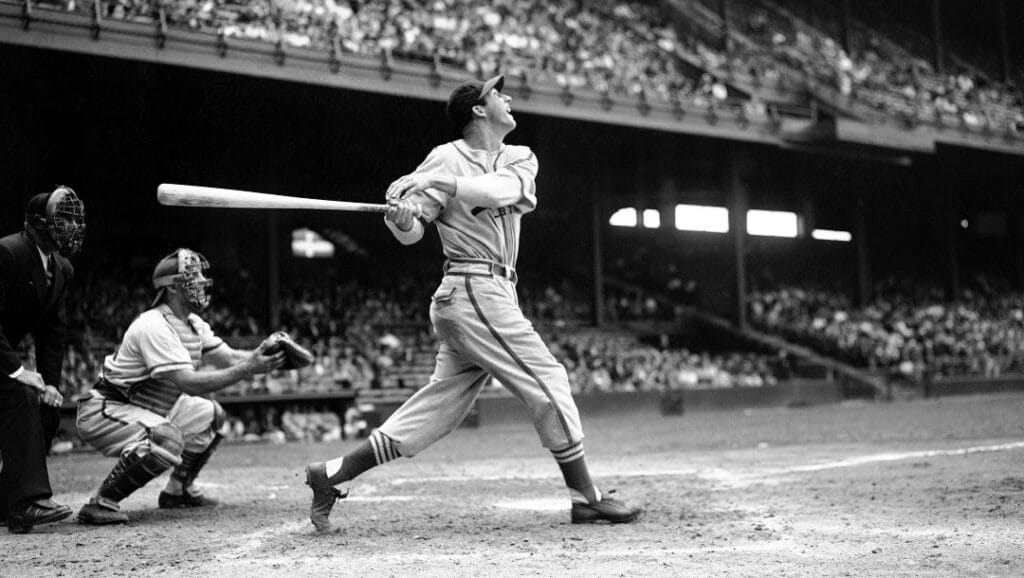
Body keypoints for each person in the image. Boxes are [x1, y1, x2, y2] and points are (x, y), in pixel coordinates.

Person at [304, 75, 642, 532]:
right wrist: (402, 218)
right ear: (479, 110)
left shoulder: (518, 156)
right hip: (471, 285)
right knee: (548, 380)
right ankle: (586, 498)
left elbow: (499, 191)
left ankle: (331, 475)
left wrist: (437, 181)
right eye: (496, 94)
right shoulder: (444, 156)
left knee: (439, 413)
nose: (506, 97)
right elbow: (412, 232)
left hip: (491, 293)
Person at [74, 248, 285, 525]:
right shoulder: (153, 324)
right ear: (172, 287)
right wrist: (249, 368)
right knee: (167, 438)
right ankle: (101, 502)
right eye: (192, 276)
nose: (201, 281)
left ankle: (178, 490)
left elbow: (230, 357)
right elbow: (189, 383)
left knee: (213, 416)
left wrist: (270, 355)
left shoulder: (194, 323)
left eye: (200, 275)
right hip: (107, 409)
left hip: (149, 409)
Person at [0, 186, 86, 533]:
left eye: (73, 220)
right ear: (37, 224)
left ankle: (8, 502)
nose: (72, 228)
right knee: (21, 396)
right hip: (3, 359)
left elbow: (54, 332)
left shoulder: (62, 268)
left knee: (47, 407)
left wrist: (50, 383)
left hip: (2, 357)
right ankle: (27, 503)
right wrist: (19, 371)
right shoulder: (7, 252)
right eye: (62, 221)